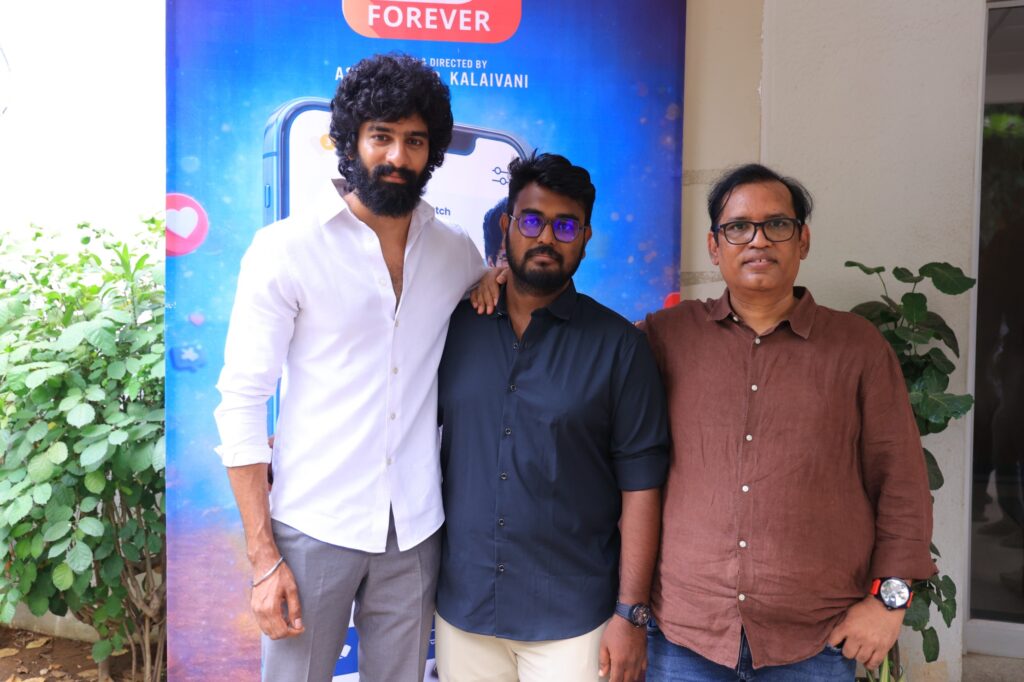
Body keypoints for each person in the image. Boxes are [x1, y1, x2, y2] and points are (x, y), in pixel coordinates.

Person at [213, 53, 492, 682]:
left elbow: (491, 291)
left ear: (432, 152)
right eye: (381, 136)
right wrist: (262, 557)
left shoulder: (455, 253)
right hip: (314, 523)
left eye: (414, 140)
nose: (397, 155)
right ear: (350, 141)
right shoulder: (286, 249)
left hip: (415, 529)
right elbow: (241, 400)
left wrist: (493, 280)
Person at [643, 163, 936, 681]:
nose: (758, 240)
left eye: (776, 224)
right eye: (739, 227)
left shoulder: (857, 347)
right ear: (714, 246)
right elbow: (581, 349)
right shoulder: (666, 337)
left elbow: (902, 482)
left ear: (803, 241)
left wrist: (889, 603)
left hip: (816, 639)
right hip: (686, 634)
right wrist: (507, 284)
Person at [434, 152, 670, 682]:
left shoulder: (620, 348)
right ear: (507, 226)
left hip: (574, 621)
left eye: (565, 226)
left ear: (585, 237)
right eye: (532, 221)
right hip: (465, 611)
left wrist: (630, 614)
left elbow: (641, 488)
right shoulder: (454, 326)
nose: (546, 238)